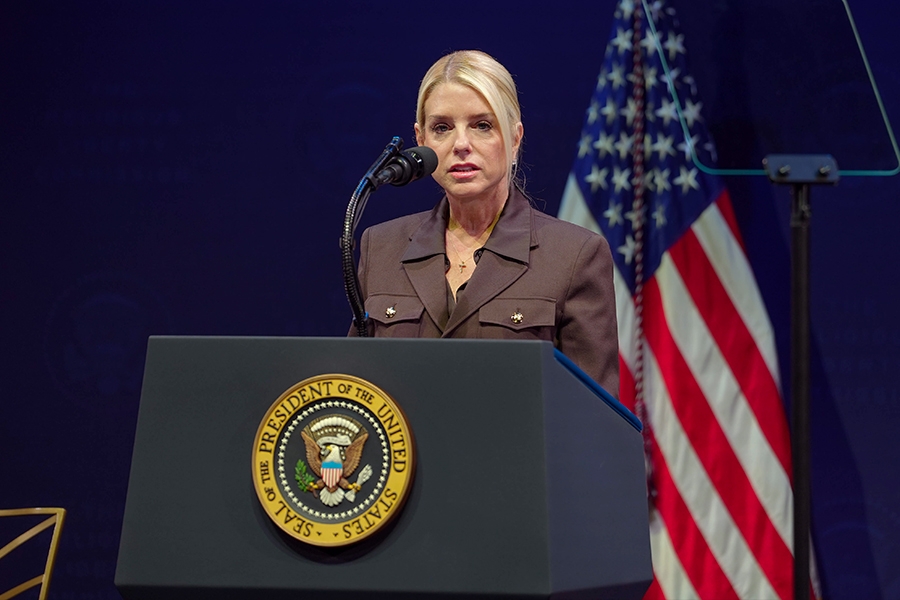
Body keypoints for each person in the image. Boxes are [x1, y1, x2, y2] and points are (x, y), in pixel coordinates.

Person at [352, 50, 619, 396]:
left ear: (515, 137)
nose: (461, 144)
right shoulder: (381, 247)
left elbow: (594, 417)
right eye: (442, 128)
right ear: (421, 141)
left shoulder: (574, 256)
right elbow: (355, 392)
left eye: (482, 125)